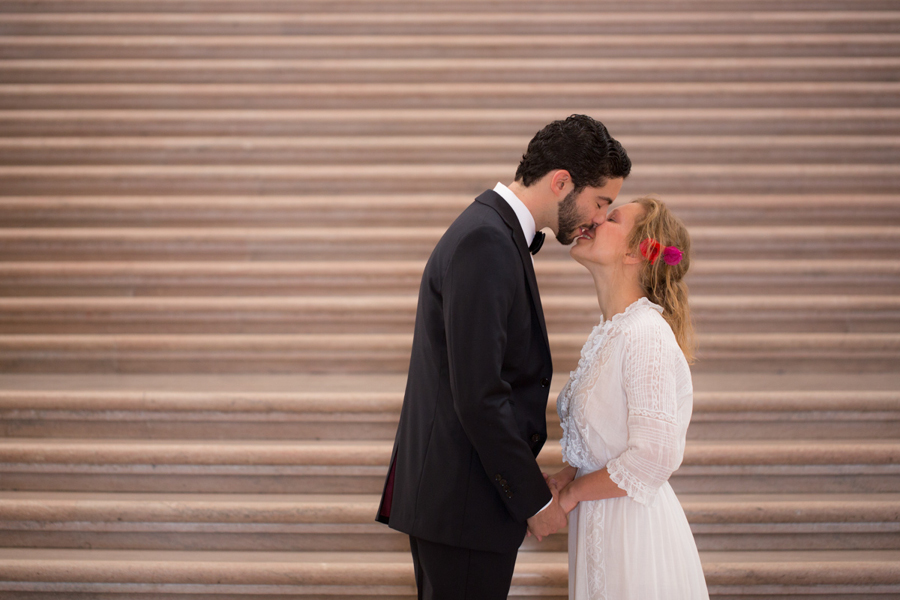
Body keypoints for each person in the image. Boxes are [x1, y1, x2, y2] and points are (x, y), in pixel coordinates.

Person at [376, 115, 631, 599]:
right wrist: (535, 503)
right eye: (601, 202)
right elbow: (479, 395)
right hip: (463, 507)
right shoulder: (487, 241)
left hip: (461, 501)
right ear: (562, 182)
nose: (599, 218)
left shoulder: (491, 231)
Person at [547, 195, 709, 599]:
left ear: (638, 252)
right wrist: (567, 475)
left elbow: (653, 456)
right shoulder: (612, 330)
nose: (593, 219)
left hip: (634, 533)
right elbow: (606, 436)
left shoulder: (645, 334)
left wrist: (571, 496)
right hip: (601, 522)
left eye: (611, 217)